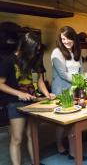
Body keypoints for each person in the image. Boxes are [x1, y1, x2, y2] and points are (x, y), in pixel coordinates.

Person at [0, 32, 54, 165]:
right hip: (15, 103)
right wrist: (19, 94)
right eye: (33, 50)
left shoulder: (35, 59)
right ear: (25, 47)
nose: (35, 53)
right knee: (17, 138)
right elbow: (0, 83)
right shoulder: (9, 60)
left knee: (33, 135)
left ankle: (35, 162)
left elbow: (40, 82)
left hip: (33, 102)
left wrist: (47, 94)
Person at [51, 26, 87, 161]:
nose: (66, 41)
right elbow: (63, 74)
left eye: (68, 38)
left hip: (74, 90)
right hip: (62, 91)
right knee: (62, 123)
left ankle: (73, 152)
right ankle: (59, 144)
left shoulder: (76, 52)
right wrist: (83, 83)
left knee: (73, 121)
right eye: (63, 39)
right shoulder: (57, 53)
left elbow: (80, 73)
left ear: (74, 38)